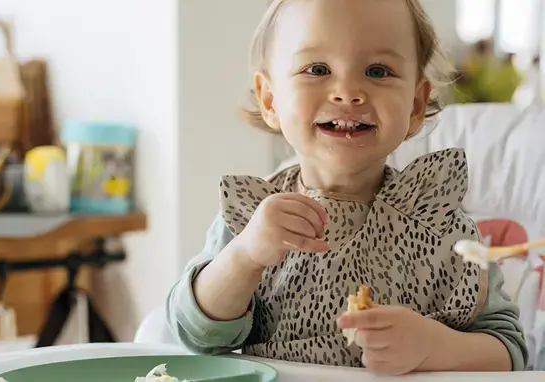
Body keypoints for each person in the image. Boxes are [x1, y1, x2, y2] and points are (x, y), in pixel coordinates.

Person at [166, 0, 528, 375]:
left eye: (377, 70)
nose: (348, 92)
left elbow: (511, 351)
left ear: (416, 105)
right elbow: (196, 335)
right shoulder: (252, 216)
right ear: (270, 100)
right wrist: (243, 257)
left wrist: (434, 347)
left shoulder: (435, 219)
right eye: (317, 69)